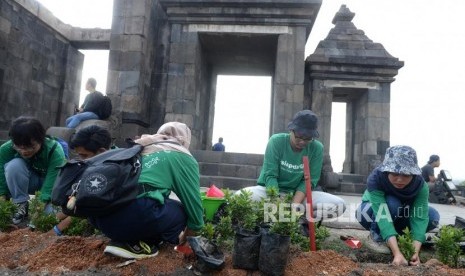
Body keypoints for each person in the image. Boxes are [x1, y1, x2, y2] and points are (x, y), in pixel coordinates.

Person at [88, 122, 204, 259]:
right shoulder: (182, 156)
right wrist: (183, 242)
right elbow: (196, 217)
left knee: (152, 200)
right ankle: (142, 244)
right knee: (181, 212)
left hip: (99, 219)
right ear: (185, 140)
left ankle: (126, 238)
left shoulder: (139, 146)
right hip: (133, 216)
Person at [237, 110, 346, 220]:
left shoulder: (317, 148)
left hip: (299, 196)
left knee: (339, 205)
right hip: (270, 192)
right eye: (299, 136)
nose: (302, 142)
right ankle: (269, 217)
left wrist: (294, 206)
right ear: (291, 130)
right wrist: (277, 204)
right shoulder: (276, 141)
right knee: (239, 197)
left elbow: (309, 181)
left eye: (308, 138)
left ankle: (300, 222)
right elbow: (270, 175)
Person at [355, 145, 440, 266]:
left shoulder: (420, 185)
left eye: (406, 175)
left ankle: (396, 236)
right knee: (392, 204)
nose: (399, 180)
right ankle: (377, 236)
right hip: (369, 213)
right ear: (387, 170)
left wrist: (414, 252)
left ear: (413, 174)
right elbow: (382, 214)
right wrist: (397, 253)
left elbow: (420, 217)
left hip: (400, 213)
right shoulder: (376, 178)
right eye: (394, 173)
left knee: (432, 216)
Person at [0, 116, 66, 224]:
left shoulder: (55, 151)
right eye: (19, 147)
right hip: (29, 180)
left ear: (41, 139)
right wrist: (2, 208)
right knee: (13, 166)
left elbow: (50, 186)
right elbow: (1, 179)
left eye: (30, 147)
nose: (24, 151)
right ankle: (21, 205)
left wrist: (36, 214)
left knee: (48, 215)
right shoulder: (6, 149)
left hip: (50, 184)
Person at [52, 125, 112, 236]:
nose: (82, 159)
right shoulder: (93, 165)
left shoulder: (114, 170)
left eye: (84, 155)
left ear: (102, 152)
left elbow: (88, 210)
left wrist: (58, 228)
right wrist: (53, 218)